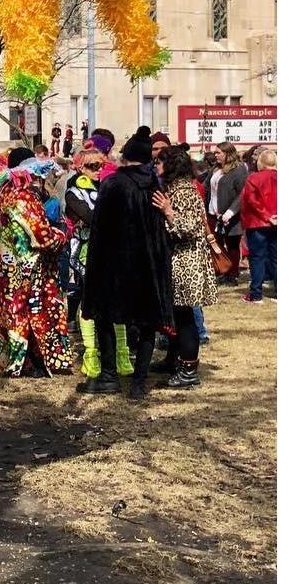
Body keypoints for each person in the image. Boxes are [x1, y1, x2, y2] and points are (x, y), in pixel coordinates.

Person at [80, 132, 174, 401]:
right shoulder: (156, 186)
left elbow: (100, 228)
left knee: (106, 316)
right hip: (148, 263)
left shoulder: (113, 184)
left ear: (125, 157)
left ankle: (109, 375)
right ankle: (138, 381)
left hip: (115, 263)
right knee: (146, 321)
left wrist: (95, 265)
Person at [0, 150, 73, 379]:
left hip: (3, 268)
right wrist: (62, 234)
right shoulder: (24, 197)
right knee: (28, 313)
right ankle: (24, 362)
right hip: (24, 271)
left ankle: (15, 359)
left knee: (8, 312)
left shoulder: (3, 192)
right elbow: (42, 236)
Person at [65, 142, 130, 392]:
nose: (97, 170)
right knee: (88, 303)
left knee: (117, 303)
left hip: (112, 252)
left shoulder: (108, 187)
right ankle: (92, 353)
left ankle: (121, 352)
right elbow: (91, 218)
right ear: (81, 168)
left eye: (100, 166)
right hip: (85, 253)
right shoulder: (75, 192)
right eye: (92, 166)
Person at [151, 145, 217, 389]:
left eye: (159, 162)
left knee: (185, 316)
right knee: (177, 316)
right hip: (178, 260)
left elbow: (188, 228)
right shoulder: (175, 189)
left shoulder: (184, 191)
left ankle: (189, 368)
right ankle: (174, 359)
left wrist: (168, 212)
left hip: (187, 262)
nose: (156, 166)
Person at [240, 148, 278, 303]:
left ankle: (256, 294)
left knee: (257, 258)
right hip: (275, 221)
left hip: (257, 223)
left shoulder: (253, 178)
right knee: (276, 258)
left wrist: (266, 216)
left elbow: (251, 200)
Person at [212, 143, 250, 283]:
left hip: (230, 214)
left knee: (232, 244)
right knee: (217, 244)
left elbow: (242, 193)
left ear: (228, 154)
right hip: (213, 212)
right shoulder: (216, 169)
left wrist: (231, 211)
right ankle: (222, 271)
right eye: (215, 153)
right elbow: (205, 185)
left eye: (218, 153)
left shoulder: (239, 170)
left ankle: (232, 274)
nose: (215, 155)